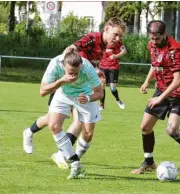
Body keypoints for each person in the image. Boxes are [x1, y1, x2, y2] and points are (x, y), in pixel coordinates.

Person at [23, 17, 127, 168]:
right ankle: (29, 132)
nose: (117, 39)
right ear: (106, 29)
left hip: (81, 86)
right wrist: (64, 71)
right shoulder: (92, 38)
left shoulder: (106, 45)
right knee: (51, 119)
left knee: (78, 121)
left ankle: (64, 155)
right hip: (67, 83)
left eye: (120, 36)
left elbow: (90, 64)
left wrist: (97, 73)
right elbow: (70, 49)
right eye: (115, 34)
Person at [131, 20, 180, 175]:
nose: (153, 42)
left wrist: (159, 98)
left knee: (172, 130)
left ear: (164, 34)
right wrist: (147, 81)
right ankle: (149, 162)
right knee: (145, 127)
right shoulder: (151, 45)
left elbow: (178, 80)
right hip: (161, 90)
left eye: (157, 38)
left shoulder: (175, 49)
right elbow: (154, 64)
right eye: (151, 38)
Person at [40, 49, 103, 179]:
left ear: (81, 66)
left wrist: (88, 98)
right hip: (63, 93)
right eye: (70, 73)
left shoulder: (87, 68)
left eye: (76, 73)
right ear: (63, 65)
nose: (74, 76)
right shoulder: (55, 64)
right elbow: (42, 91)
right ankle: (75, 163)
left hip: (84, 94)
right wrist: (61, 81)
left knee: (88, 133)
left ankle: (76, 159)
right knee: (54, 125)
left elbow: (100, 93)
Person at [99, 41, 127, 110]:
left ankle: (118, 100)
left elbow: (124, 51)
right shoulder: (102, 41)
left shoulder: (118, 42)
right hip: (103, 66)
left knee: (112, 88)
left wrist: (116, 56)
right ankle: (102, 105)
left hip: (113, 67)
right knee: (102, 85)